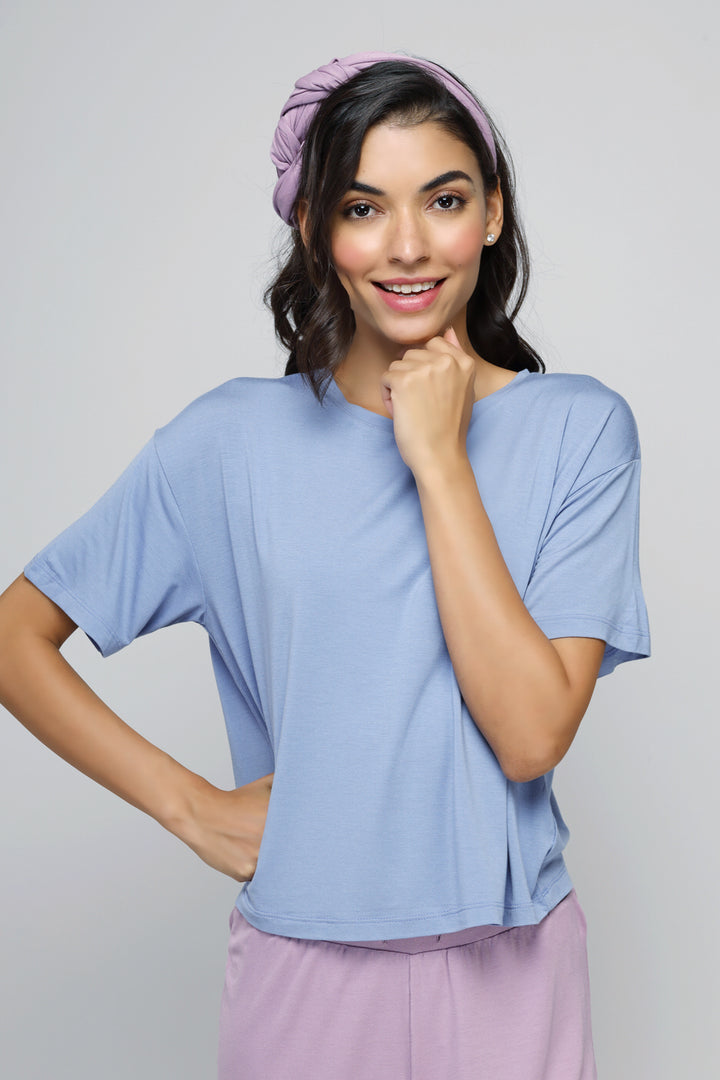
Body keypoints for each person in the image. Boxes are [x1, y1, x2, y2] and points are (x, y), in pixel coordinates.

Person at [0, 51, 650, 1080]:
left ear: (491, 212)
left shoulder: (579, 431)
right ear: (313, 227)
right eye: (361, 206)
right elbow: (14, 637)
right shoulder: (226, 445)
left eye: (443, 198)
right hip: (302, 971)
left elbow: (530, 735)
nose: (406, 245)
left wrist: (438, 458)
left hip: (514, 966)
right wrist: (191, 807)